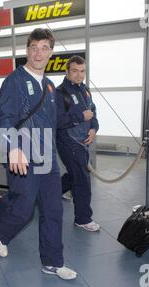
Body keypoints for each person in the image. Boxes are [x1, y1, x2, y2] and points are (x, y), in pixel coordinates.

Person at [0, 28, 77, 280]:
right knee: (24, 210)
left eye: (44, 48)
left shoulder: (49, 87)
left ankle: (53, 262)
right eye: (34, 47)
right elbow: (3, 119)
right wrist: (13, 148)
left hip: (48, 158)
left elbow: (54, 121)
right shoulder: (14, 81)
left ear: (51, 53)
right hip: (23, 156)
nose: (39, 53)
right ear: (27, 50)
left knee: (53, 210)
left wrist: (85, 122)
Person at [55, 55, 100, 232]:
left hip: (83, 141)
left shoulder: (85, 90)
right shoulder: (60, 93)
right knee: (81, 178)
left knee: (74, 174)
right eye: (75, 71)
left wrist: (93, 128)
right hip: (68, 142)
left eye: (82, 71)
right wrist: (80, 117)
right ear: (67, 71)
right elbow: (57, 121)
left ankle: (45, 196)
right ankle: (83, 218)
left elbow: (93, 111)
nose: (79, 75)